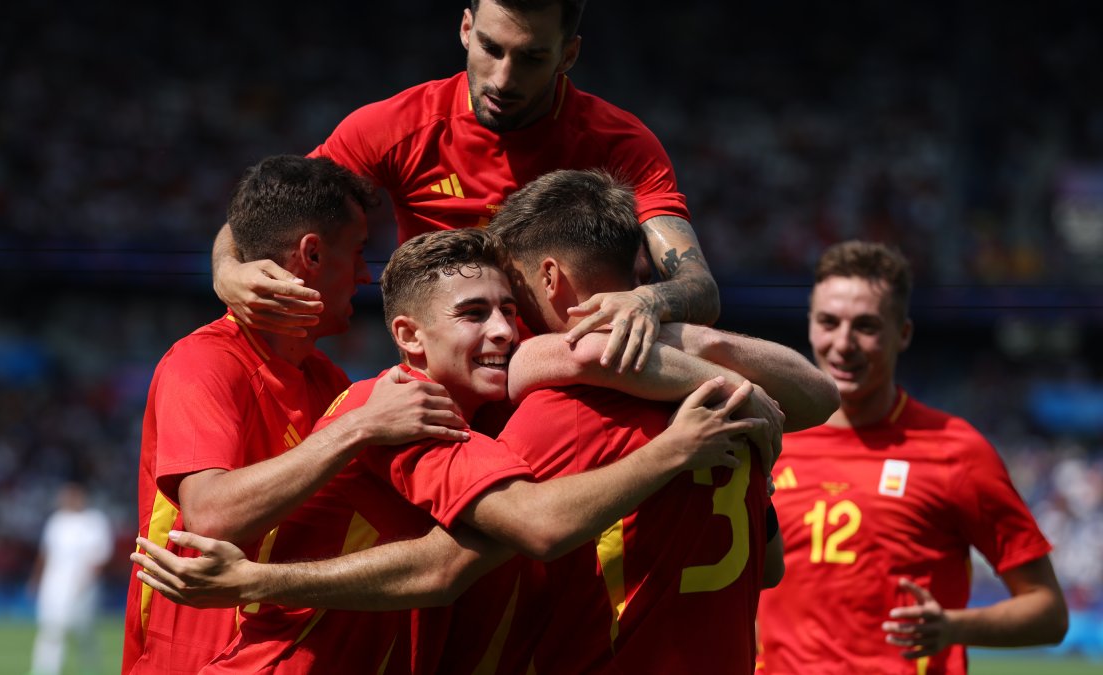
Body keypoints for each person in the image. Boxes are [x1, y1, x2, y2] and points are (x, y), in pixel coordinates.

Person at [134, 173, 839, 674]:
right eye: (477, 314)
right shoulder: (407, 410)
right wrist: (704, 412)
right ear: (410, 336)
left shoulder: (533, 417)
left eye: (512, 305)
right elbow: (510, 537)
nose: (508, 330)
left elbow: (451, 563)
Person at [211, 0, 719, 373]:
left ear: (568, 55)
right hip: (444, 395)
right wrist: (226, 270)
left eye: (531, 58)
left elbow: (698, 288)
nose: (503, 78)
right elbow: (274, 209)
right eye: (491, 48)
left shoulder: (620, 145)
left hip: (575, 389)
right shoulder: (398, 127)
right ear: (465, 27)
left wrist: (648, 301)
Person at [122, 155, 472, 675]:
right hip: (190, 663)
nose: (363, 275)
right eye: (356, 253)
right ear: (311, 254)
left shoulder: (328, 381)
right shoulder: (203, 361)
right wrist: (359, 427)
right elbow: (213, 515)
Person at [757, 241, 1069, 674]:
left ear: (902, 334)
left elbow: (1049, 611)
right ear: (809, 324)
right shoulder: (768, 438)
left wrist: (953, 627)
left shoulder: (957, 450)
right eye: (829, 322)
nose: (843, 343)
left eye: (866, 326)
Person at [28, 482, 114, 675]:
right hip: (54, 584)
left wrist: (87, 581)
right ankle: (45, 669)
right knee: (51, 626)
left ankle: (91, 667)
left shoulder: (95, 521)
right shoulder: (56, 521)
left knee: (83, 629)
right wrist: (36, 579)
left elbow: (100, 555)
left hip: (83, 585)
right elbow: (45, 553)